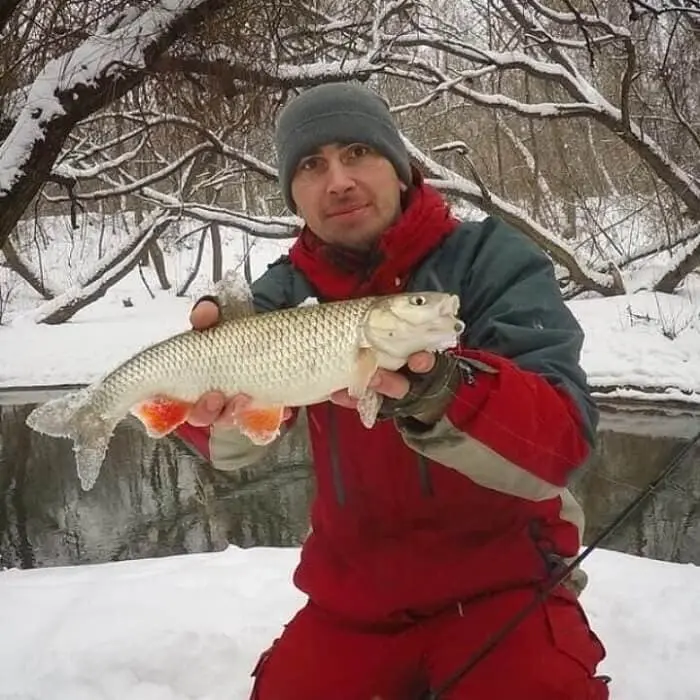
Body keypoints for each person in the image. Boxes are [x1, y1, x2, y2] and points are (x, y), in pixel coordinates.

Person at [176, 82, 610, 700]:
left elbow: (562, 444)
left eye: (358, 152)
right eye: (311, 165)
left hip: (504, 584)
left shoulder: (491, 261)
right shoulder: (278, 295)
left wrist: (442, 389)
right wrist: (211, 408)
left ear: (401, 167)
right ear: (293, 194)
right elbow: (229, 452)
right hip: (353, 602)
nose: (338, 181)